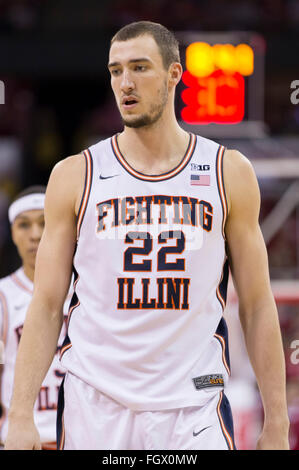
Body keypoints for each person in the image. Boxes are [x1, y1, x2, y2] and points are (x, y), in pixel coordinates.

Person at [4, 21, 289, 450]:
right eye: (116, 71)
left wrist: (278, 423)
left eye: (139, 67)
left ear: (175, 74)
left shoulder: (227, 171)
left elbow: (256, 304)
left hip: (194, 403)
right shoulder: (75, 174)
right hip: (95, 403)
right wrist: (21, 413)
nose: (125, 82)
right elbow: (45, 306)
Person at [0, 186, 69, 450]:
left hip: (84, 435)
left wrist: (208, 386)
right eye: (24, 225)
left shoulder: (89, 289)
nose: (36, 235)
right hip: (23, 438)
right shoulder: (4, 296)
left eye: (44, 223)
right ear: (12, 234)